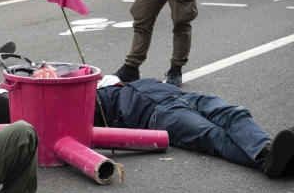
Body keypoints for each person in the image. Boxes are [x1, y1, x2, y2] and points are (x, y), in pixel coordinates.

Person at [95, 76, 294, 178]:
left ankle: (268, 151)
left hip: (188, 96)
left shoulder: (133, 83)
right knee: (213, 135)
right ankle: (271, 161)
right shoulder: (101, 98)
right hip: (160, 115)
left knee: (235, 113)